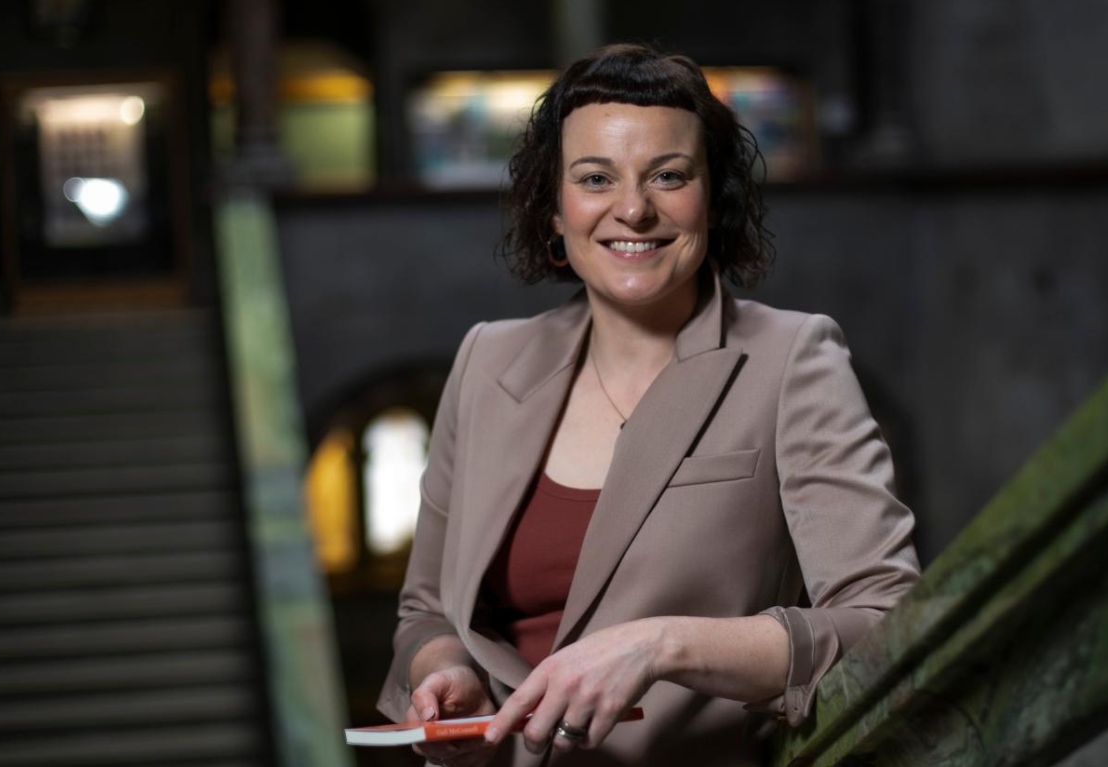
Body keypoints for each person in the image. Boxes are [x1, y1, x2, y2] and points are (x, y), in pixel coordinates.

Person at [376, 44, 920, 766]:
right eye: (594, 178)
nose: (632, 209)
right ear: (554, 211)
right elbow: (426, 610)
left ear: (712, 200)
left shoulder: (792, 358)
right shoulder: (487, 359)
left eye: (668, 176)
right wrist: (445, 671)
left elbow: (886, 623)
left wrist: (663, 644)